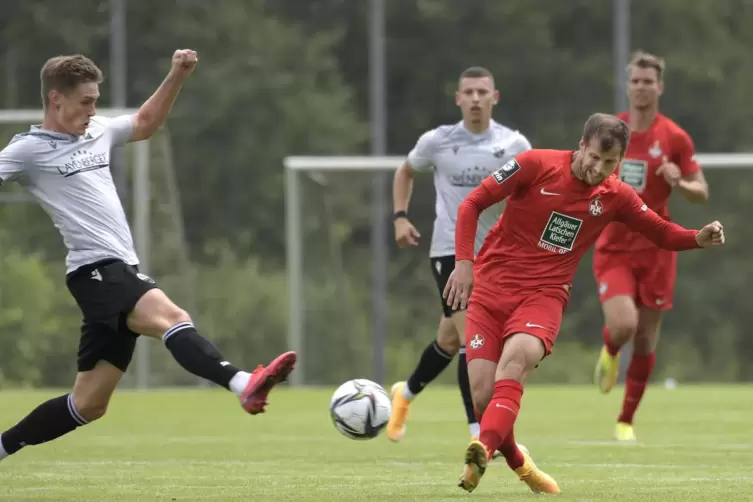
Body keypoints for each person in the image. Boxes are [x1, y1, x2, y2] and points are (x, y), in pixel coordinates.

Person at [0, 51, 296, 463]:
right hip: (95, 270)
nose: (92, 109)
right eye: (85, 101)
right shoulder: (28, 150)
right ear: (56, 99)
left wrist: (178, 73)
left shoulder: (97, 131)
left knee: (87, 405)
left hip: (115, 272)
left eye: (95, 100)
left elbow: (144, 123)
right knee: (172, 318)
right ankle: (242, 382)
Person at [444, 113, 724, 494]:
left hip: (542, 296)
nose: (598, 168)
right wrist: (464, 264)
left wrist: (697, 237)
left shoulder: (616, 196)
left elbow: (660, 230)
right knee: (481, 396)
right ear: (581, 145)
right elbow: (471, 204)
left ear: (620, 162)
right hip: (490, 292)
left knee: (517, 360)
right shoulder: (534, 165)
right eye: (594, 157)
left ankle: (482, 448)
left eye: (610, 163)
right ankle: (520, 464)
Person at [388, 66, 531, 444]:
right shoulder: (438, 141)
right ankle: (478, 432)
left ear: (494, 97)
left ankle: (404, 395)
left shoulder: (515, 145)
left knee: (449, 342)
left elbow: (533, 190)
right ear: (458, 99)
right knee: (475, 341)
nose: (475, 99)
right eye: (468, 92)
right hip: (451, 252)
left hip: (497, 256)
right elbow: (405, 172)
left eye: (482, 92)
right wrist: (400, 218)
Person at [592, 51, 709, 442]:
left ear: (660, 87)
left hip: (658, 246)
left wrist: (680, 182)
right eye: (635, 81)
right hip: (615, 244)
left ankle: (625, 420)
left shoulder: (674, 137)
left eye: (648, 81)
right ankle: (610, 349)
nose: (641, 87)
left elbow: (701, 192)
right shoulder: (613, 131)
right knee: (624, 325)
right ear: (627, 85)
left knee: (645, 337)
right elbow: (586, 170)